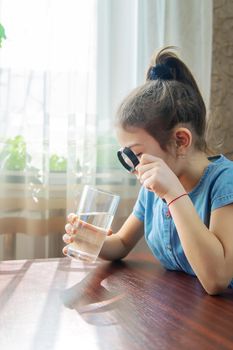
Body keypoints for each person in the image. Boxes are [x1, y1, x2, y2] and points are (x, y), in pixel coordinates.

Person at [63, 47, 233, 295]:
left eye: (137, 154)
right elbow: (121, 243)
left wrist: (174, 195)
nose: (134, 167)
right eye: (126, 156)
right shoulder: (154, 190)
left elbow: (216, 279)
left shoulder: (224, 182)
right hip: (184, 307)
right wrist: (92, 240)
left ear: (181, 141)